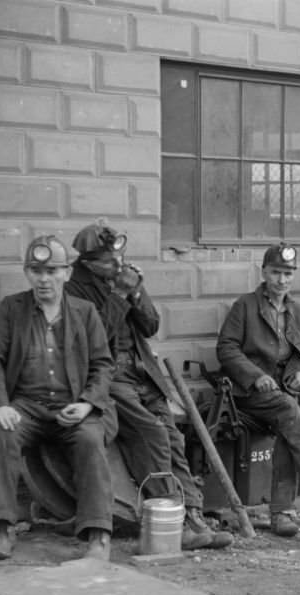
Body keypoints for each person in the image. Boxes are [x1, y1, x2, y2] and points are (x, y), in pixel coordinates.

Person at [66, 221, 231, 550]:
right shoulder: (74, 292)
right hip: (108, 378)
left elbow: (151, 324)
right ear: (88, 263)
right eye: (109, 261)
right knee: (150, 433)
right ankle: (171, 518)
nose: (118, 265)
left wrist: (137, 291)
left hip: (144, 374)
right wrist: (121, 293)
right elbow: (95, 340)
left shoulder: (122, 277)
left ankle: (193, 514)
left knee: (172, 437)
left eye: (120, 258)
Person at [0, 236, 114, 561]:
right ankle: (1, 529)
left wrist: (86, 404)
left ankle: (97, 536)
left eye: (52, 271)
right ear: (27, 273)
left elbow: (103, 365)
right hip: (27, 407)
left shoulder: (85, 312)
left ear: (67, 273)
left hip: (73, 406)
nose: (44, 279)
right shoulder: (13, 309)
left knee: (91, 441)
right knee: (2, 435)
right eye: (36, 271)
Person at [216, 244, 300, 537]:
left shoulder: (295, 311)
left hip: (282, 394)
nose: (281, 280)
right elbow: (226, 348)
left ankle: (282, 514)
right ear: (263, 272)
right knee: (290, 411)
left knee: (290, 422)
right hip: (247, 394)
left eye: (287, 274)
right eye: (276, 272)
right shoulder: (245, 306)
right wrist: (255, 376)